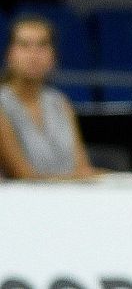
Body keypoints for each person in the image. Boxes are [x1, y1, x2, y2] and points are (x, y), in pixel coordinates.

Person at [0, 16, 99, 180]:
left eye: (42, 45)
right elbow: (24, 177)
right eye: (24, 45)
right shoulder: (3, 104)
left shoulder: (60, 102)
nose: (34, 54)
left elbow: (82, 166)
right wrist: (84, 179)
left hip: (74, 198)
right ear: (9, 55)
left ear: (53, 56)